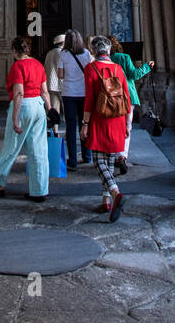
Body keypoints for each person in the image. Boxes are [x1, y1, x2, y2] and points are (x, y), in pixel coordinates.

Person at [0, 36, 51, 201]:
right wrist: (50, 109)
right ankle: (39, 191)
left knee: (11, 147)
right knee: (39, 150)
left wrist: (15, 119)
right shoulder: (38, 64)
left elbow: (19, 93)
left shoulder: (18, 66)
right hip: (39, 107)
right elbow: (45, 91)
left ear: (15, 51)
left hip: (24, 107)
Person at [80, 34, 132, 220]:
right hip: (117, 118)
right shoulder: (118, 69)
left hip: (99, 117)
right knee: (109, 159)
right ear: (109, 50)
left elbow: (89, 99)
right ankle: (106, 201)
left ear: (94, 51)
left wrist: (85, 123)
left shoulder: (91, 68)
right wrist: (127, 124)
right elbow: (126, 97)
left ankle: (115, 192)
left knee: (98, 160)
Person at [108, 35, 155, 173]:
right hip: (128, 96)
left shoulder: (106, 60)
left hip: (112, 96)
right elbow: (134, 74)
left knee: (115, 126)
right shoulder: (124, 58)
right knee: (127, 126)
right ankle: (122, 156)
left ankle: (115, 154)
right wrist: (147, 66)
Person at [57, 29, 92, 169]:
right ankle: (87, 156)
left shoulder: (63, 54)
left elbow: (60, 75)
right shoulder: (86, 53)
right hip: (84, 94)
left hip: (69, 94)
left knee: (70, 128)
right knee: (85, 124)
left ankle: (72, 161)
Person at [43, 32, 65, 133]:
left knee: (54, 109)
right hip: (62, 85)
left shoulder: (49, 53)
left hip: (50, 85)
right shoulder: (61, 53)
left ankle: (55, 131)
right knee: (66, 111)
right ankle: (67, 131)